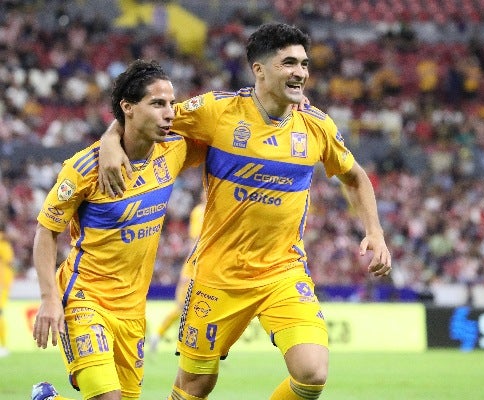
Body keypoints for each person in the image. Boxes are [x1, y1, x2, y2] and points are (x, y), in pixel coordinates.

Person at [98, 22, 392, 400]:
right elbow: (147, 115)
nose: (300, 72)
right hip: (218, 276)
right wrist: (110, 138)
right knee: (196, 384)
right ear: (259, 69)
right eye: (289, 63)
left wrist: (375, 231)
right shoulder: (216, 110)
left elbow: (355, 177)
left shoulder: (316, 125)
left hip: (282, 271)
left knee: (312, 373)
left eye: (304, 64)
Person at [30, 59, 205, 400]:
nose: (170, 112)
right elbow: (46, 231)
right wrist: (49, 297)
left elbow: (231, 125)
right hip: (86, 299)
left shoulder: (174, 150)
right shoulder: (84, 168)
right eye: (157, 104)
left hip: (133, 311)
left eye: (171, 103)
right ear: (128, 107)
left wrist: (290, 108)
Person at [148, 193, 206, 353]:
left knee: (201, 309)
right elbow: (197, 238)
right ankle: (157, 335)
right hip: (193, 267)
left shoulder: (213, 209)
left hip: (206, 268)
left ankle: (200, 346)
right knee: (181, 307)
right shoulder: (199, 212)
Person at [0, 222, 15, 357]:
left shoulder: (3, 246)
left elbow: (8, 263)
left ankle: (2, 345)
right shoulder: (5, 245)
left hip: (2, 284)